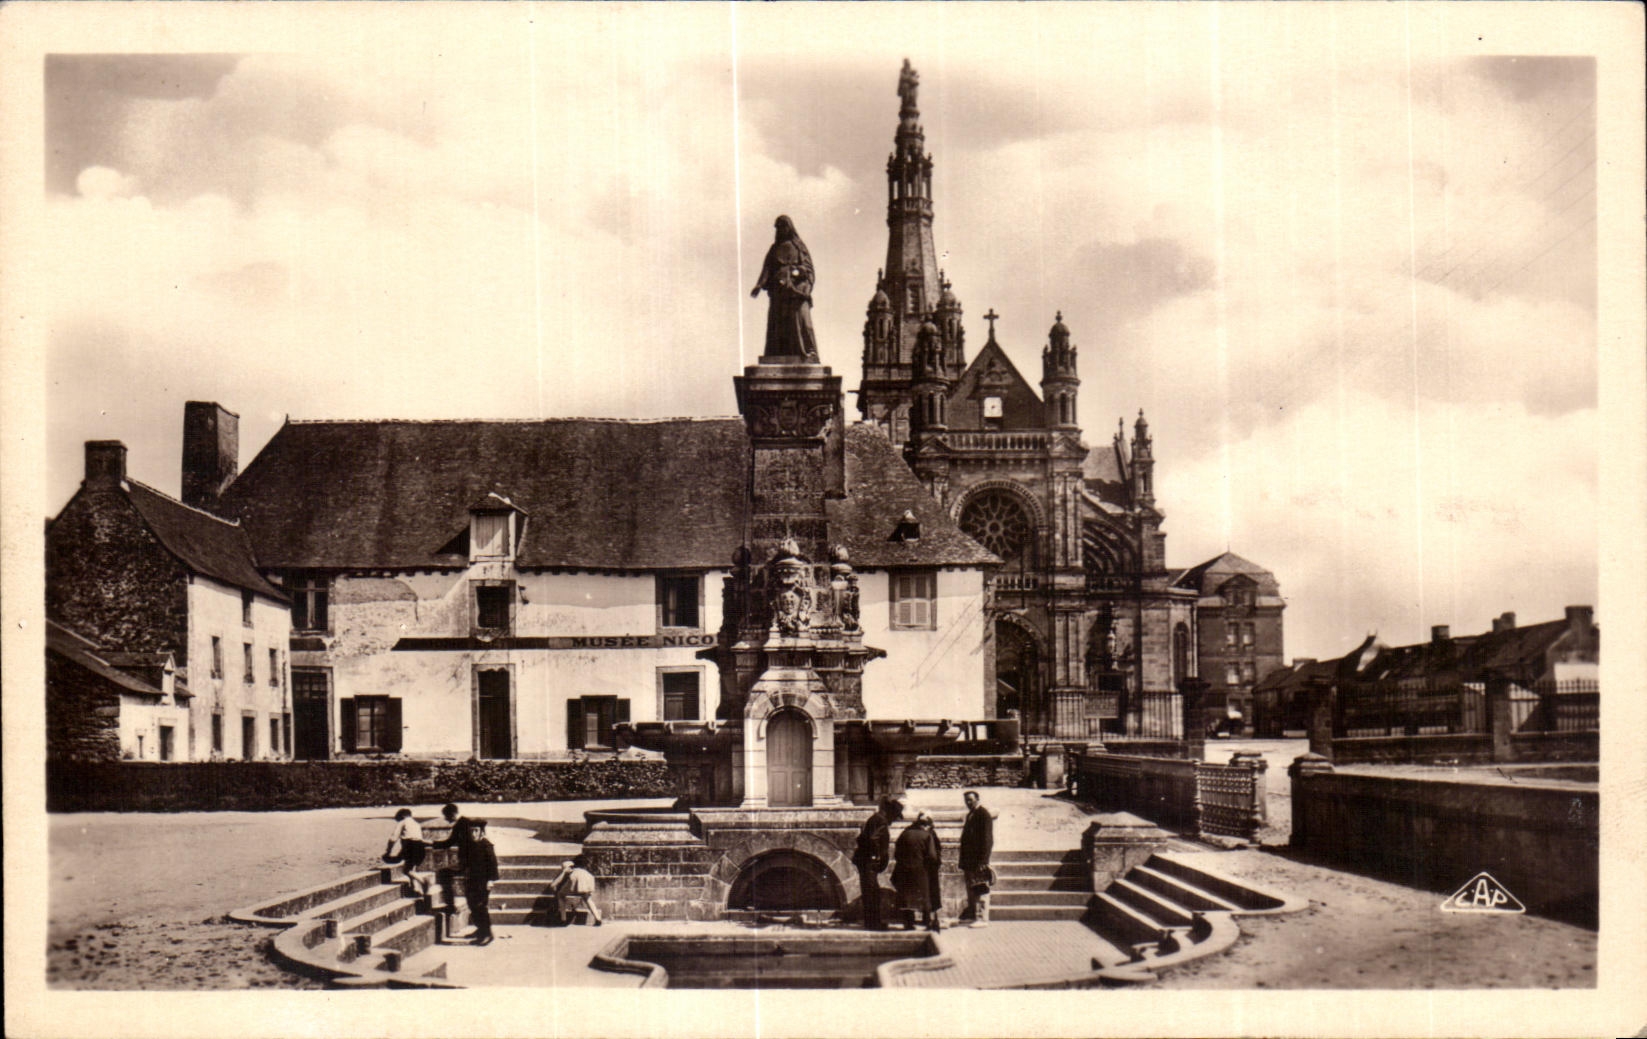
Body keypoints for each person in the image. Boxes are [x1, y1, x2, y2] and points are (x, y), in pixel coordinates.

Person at [749, 215, 819, 361]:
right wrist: (759, 285)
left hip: (797, 292)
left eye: (783, 226)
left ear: (789, 227)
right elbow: (767, 269)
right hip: (778, 293)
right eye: (778, 227)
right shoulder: (774, 249)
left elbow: (809, 269)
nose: (780, 230)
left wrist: (797, 273)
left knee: (803, 321)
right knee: (779, 325)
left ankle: (808, 351)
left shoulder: (799, 246)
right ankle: (778, 354)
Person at [853, 797, 902, 930]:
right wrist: (877, 856)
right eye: (894, 816)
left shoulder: (875, 818)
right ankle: (873, 923)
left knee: (869, 891)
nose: (893, 820)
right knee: (872, 892)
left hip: (865, 860)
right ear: (889, 812)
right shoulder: (881, 821)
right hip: (869, 861)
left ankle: (871, 922)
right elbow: (873, 839)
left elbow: (863, 837)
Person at [892, 812, 943, 932]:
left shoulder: (904, 834)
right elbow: (932, 856)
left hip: (904, 870)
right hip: (921, 871)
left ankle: (908, 923)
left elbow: (896, 853)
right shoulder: (926, 836)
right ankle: (929, 922)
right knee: (925, 896)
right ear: (926, 825)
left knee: (906, 897)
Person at [431, 803, 476, 916]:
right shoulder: (466, 822)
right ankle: (451, 906)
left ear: (453, 814)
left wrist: (432, 843)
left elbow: (448, 843)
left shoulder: (461, 824)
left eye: (447, 816)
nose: (446, 819)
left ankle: (450, 906)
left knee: (443, 874)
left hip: (468, 862)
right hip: (470, 861)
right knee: (445, 874)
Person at [959, 790, 996, 927]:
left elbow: (987, 839)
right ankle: (974, 915)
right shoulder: (971, 814)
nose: (968, 803)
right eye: (966, 800)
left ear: (977, 799)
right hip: (969, 860)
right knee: (972, 889)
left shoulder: (983, 815)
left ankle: (982, 918)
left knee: (981, 888)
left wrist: (984, 861)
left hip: (978, 860)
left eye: (970, 800)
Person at [462, 818, 500, 945]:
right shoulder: (470, 845)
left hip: (483, 882)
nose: (473, 834)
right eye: (471, 831)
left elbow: (493, 864)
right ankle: (480, 930)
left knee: (480, 906)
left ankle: (487, 934)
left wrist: (490, 880)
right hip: (472, 881)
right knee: (472, 905)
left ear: (481, 832)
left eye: (476, 831)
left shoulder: (486, 845)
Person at [381, 808, 428, 895]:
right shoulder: (416, 824)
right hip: (420, 846)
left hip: (410, 845)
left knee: (406, 871)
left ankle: (423, 881)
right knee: (411, 867)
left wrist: (388, 851)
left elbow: (393, 838)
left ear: (402, 816)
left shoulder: (403, 822)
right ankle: (416, 889)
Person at [553, 857, 603, 926]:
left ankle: (563, 919)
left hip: (575, 882)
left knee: (560, 895)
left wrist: (564, 872)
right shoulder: (585, 872)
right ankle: (598, 919)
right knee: (587, 898)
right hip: (586, 882)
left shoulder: (571, 872)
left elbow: (553, 885)